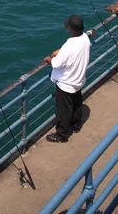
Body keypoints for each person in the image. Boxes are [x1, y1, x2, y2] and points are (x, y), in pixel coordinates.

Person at [43, 14, 93, 143]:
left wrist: (49, 59)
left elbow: (57, 63)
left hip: (66, 84)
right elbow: (71, 51)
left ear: (70, 29)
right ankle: (76, 125)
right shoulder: (85, 39)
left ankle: (62, 134)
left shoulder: (69, 46)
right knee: (76, 105)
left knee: (64, 110)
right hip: (79, 80)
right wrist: (61, 51)